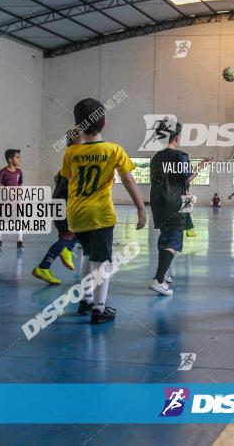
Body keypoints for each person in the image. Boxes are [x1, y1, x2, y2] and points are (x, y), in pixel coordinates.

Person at [61, 98, 147, 324]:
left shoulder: (71, 152)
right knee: (103, 262)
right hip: (100, 215)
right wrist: (141, 208)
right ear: (104, 122)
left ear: (78, 125)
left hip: (76, 214)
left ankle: (85, 299)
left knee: (87, 254)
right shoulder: (113, 150)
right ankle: (99, 309)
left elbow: (69, 178)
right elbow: (128, 180)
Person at [147, 118, 210, 296]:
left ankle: (163, 272)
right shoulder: (180, 156)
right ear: (176, 138)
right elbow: (187, 178)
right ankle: (158, 280)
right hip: (174, 203)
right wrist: (202, 166)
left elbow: (165, 181)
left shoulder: (156, 158)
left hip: (158, 203)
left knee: (165, 236)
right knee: (174, 239)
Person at [32, 129, 82, 285]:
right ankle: (43, 267)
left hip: (60, 201)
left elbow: (57, 176)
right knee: (68, 235)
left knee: (77, 231)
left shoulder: (70, 153)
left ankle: (67, 250)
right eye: (83, 137)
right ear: (76, 140)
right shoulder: (77, 155)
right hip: (65, 203)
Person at [0, 148, 23, 251]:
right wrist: (6, 189)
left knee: (19, 221)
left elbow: (20, 183)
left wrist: (19, 191)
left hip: (16, 202)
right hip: (5, 202)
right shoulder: (3, 171)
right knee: (1, 221)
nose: (19, 159)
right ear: (10, 160)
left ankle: (20, 241)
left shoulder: (19, 171)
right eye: (17, 157)